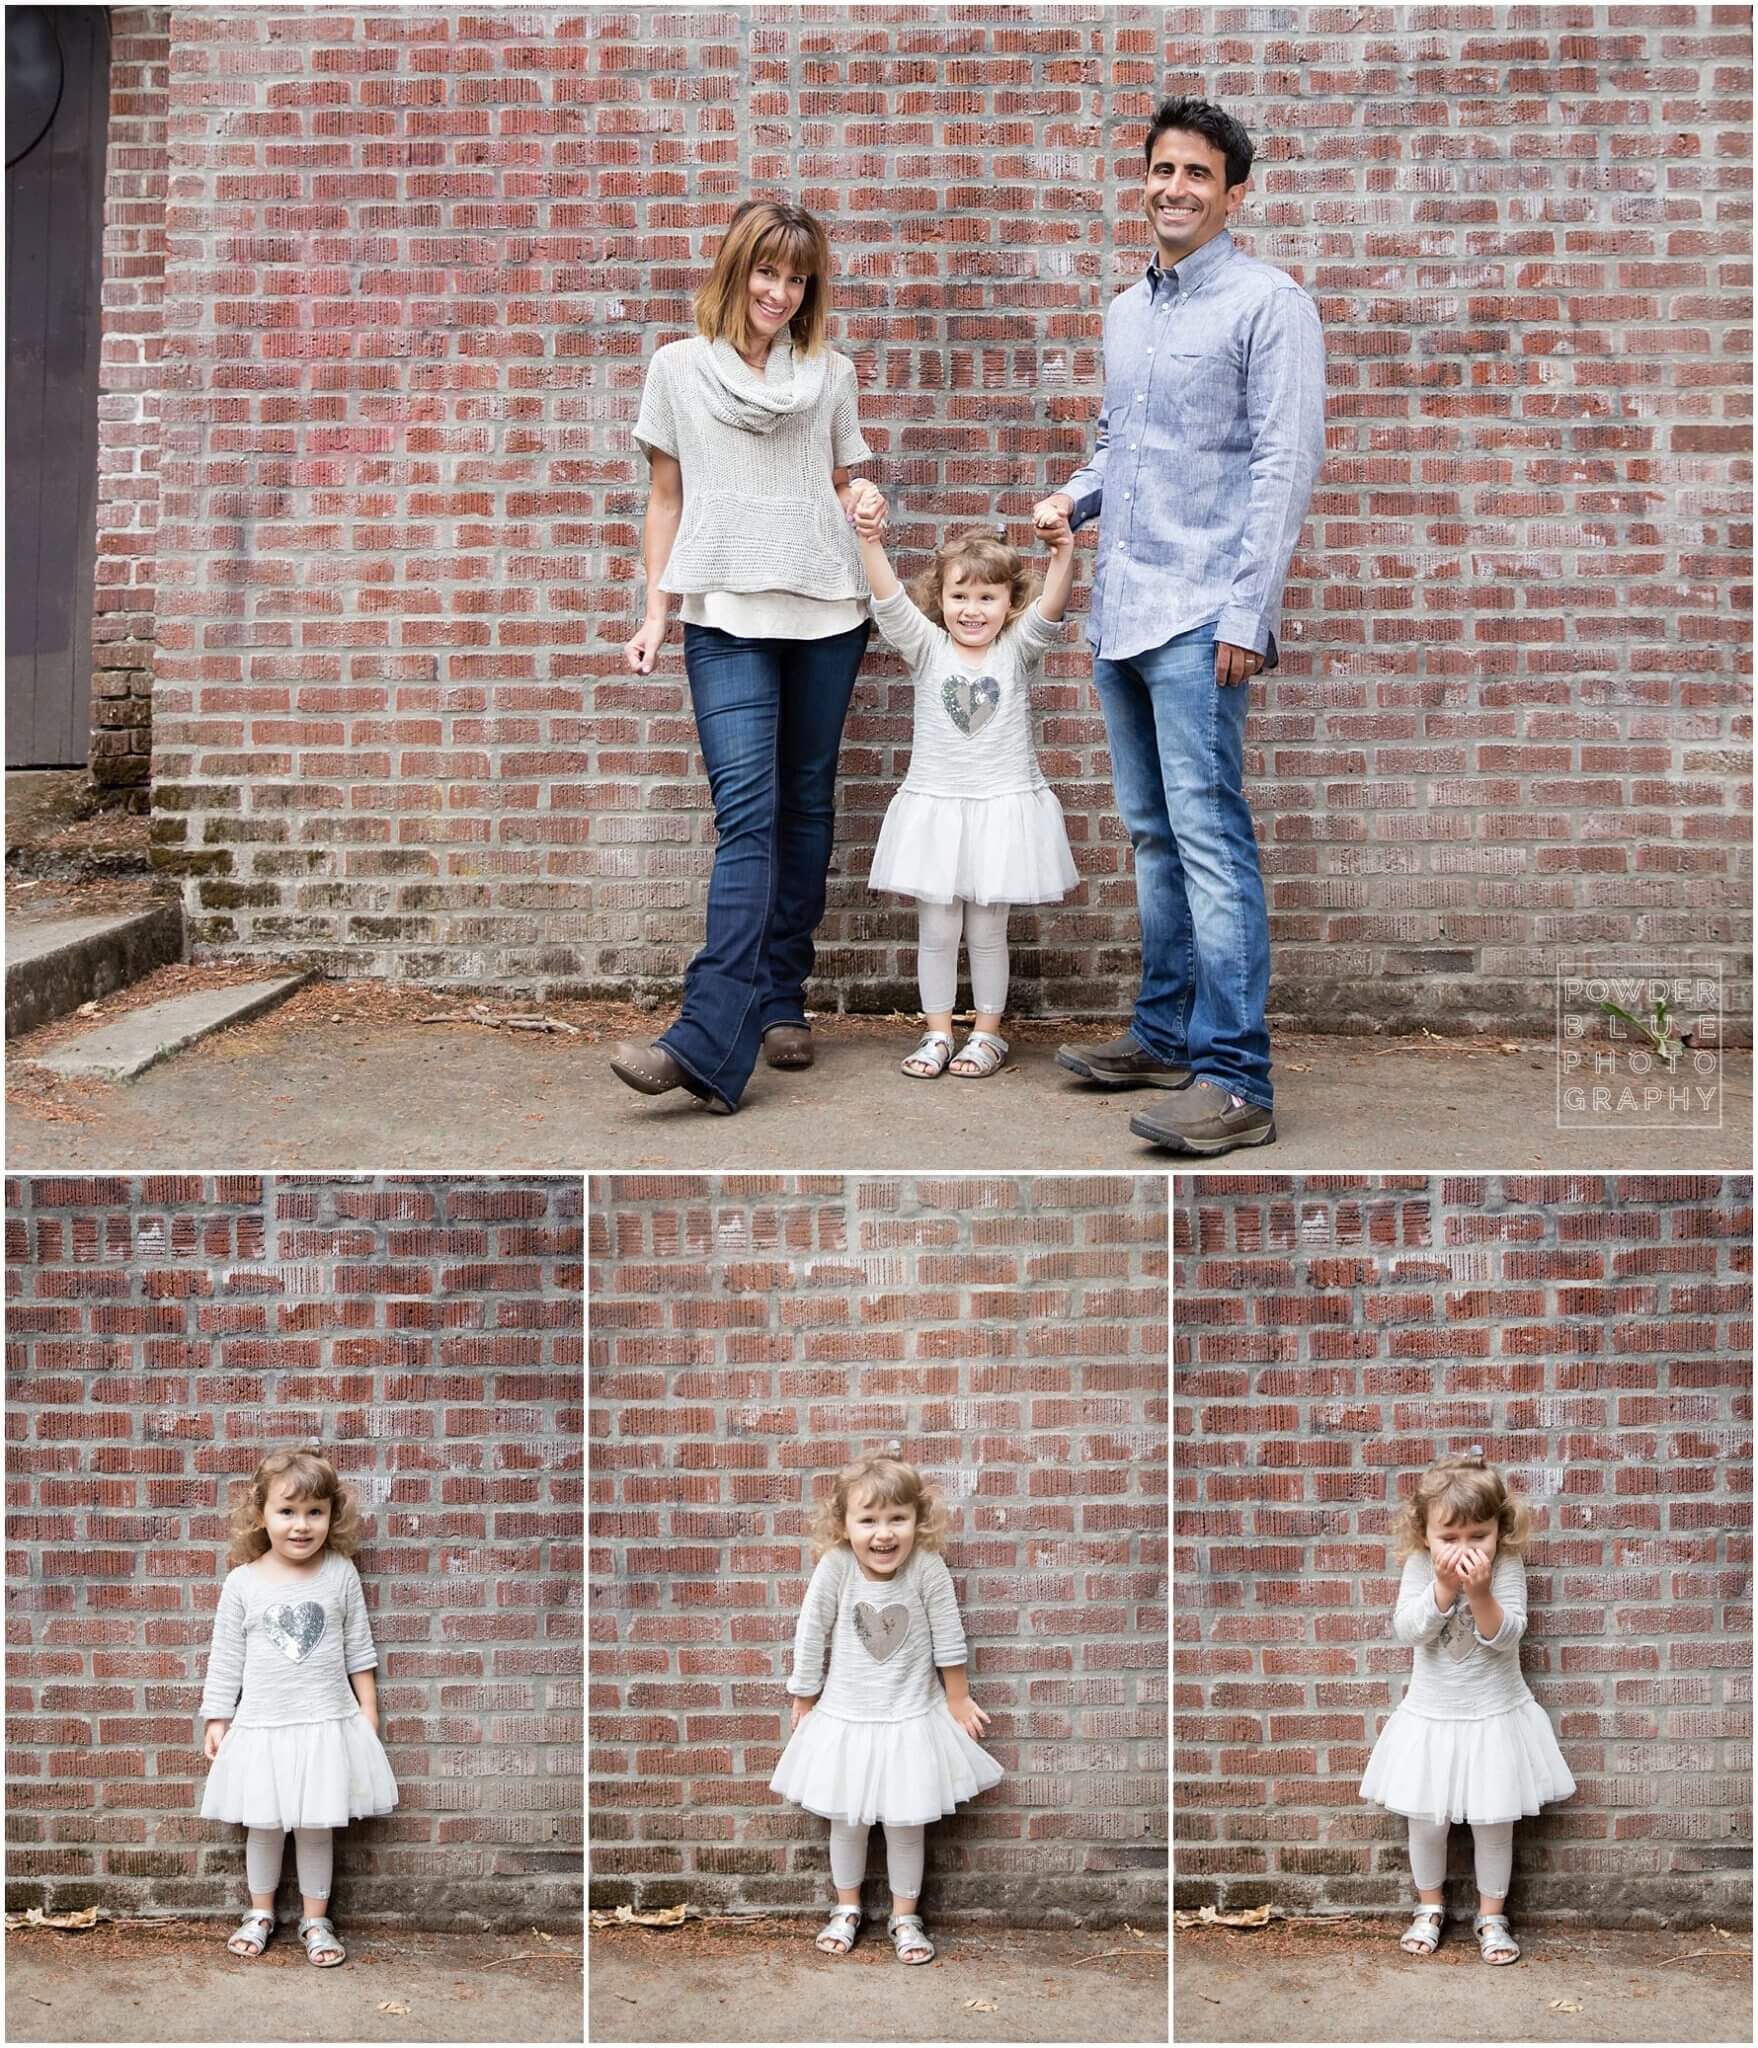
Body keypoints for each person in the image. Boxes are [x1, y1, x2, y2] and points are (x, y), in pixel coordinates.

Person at [1034, 95, 1326, 1156]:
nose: (1175, 188)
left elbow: (1283, 467)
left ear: (1232, 193)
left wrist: (1249, 613)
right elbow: (1118, 443)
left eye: (1198, 174)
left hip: (1205, 613)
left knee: (1209, 838)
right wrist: (1075, 497)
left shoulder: (1269, 303)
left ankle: (1236, 1076)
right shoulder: (1126, 310)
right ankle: (1163, 1034)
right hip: (1123, 609)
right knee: (1155, 836)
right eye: (1162, 170)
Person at [614, 198, 875, 1114]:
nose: (781, 291)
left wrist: (864, 496)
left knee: (805, 806)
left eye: (798, 277)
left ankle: (780, 998)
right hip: (724, 614)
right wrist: (657, 614)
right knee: (750, 815)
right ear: (737, 272)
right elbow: (664, 498)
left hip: (829, 611)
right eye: (768, 272)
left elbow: (842, 479)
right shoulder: (677, 370)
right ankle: (706, 1034)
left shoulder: (830, 373)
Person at [848, 484, 1079, 1078]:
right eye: (959, 596)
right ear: (942, 599)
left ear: (1008, 603)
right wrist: (870, 540)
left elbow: (1052, 608)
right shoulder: (927, 649)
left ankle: (988, 1032)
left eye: (987, 596)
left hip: (1000, 809)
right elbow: (890, 601)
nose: (971, 609)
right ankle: (937, 1032)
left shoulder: (1017, 650)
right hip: (939, 811)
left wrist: (1062, 553)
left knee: (987, 928)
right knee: (938, 927)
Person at [769, 1454, 1002, 1965]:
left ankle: (905, 1916)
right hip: (846, 1720)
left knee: (905, 1824)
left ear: (918, 1521)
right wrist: (804, 1698)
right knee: (845, 1824)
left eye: (897, 1518)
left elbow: (948, 1634)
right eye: (868, 1520)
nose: (883, 1534)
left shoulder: (926, 1566)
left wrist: (958, 1697)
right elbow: (811, 1633)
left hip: (911, 1718)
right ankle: (846, 1908)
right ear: (843, 1524)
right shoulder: (835, 1568)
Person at [1358, 1452, 1575, 1967]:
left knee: (1493, 1823)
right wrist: (1444, 1588)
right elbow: (1408, 1629)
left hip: (1493, 1716)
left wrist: (1478, 1592)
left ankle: (1492, 1916)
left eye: (1477, 1536)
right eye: (1448, 1538)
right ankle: (1429, 1908)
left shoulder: (1506, 1567)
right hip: (1432, 1718)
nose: (1463, 1548)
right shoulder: (1419, 1567)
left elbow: (1505, 1636)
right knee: (1426, 1823)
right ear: (1425, 1535)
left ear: (1499, 1531)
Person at [198, 1447, 398, 1967]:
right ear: (261, 1514)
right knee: (263, 1824)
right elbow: (226, 1657)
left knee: (316, 1826)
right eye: (287, 1512)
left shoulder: (339, 1573)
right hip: (262, 1726)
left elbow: (359, 1648)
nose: (301, 1525)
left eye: (315, 1512)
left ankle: (316, 1919)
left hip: (324, 1724)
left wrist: (367, 1710)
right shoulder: (243, 1582)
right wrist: (218, 1716)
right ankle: (260, 1912)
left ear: (333, 1515)